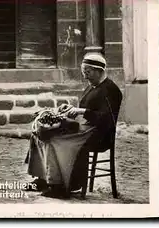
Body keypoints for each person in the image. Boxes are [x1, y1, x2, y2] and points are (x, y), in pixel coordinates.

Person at [24, 52, 123, 199]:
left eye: (87, 72)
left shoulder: (111, 90)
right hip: (85, 127)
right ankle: (42, 179)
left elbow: (105, 119)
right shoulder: (92, 86)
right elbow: (87, 108)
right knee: (39, 134)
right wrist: (70, 108)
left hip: (98, 134)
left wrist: (80, 111)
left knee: (54, 140)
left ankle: (59, 186)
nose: (85, 76)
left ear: (98, 71)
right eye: (84, 72)